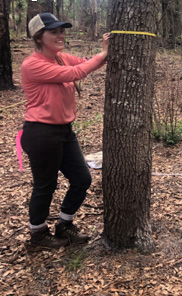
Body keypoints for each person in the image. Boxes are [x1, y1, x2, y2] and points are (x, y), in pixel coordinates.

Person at [19, 13, 110, 249]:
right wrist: (101, 54)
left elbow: (84, 63)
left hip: (64, 131)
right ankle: (38, 233)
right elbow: (76, 73)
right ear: (39, 37)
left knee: (82, 178)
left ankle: (64, 225)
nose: (60, 35)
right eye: (54, 32)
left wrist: (106, 51)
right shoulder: (33, 64)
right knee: (45, 185)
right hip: (41, 133)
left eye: (62, 31)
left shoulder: (60, 58)